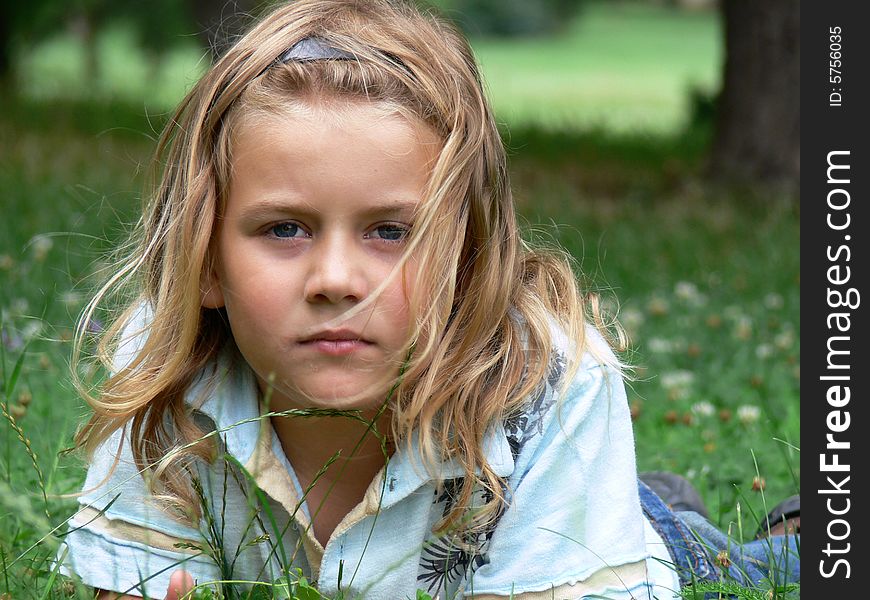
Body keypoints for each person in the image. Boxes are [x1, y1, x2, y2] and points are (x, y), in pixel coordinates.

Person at [58, 1, 800, 598]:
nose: (337, 279)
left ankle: (740, 529)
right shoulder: (166, 370)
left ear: (468, 257)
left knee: (761, 572)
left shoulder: (551, 378)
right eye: (284, 228)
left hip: (579, 541)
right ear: (207, 260)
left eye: (391, 232)